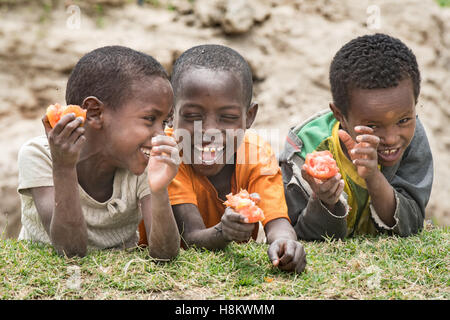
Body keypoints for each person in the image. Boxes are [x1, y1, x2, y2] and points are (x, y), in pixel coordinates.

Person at [139, 44, 307, 273]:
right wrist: (223, 231)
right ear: (171, 114)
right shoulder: (169, 154)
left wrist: (285, 242)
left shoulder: (256, 153)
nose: (208, 131)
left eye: (227, 117)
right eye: (192, 116)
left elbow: (277, 222)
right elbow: (190, 237)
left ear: (249, 117)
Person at [17, 46, 180, 259]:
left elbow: (165, 255)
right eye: (150, 119)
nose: (161, 135)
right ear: (95, 113)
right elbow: (70, 252)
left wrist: (159, 191)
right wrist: (64, 167)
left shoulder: (143, 162)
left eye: (165, 121)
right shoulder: (40, 155)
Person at [280, 33, 433, 240]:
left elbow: (412, 224)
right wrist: (325, 200)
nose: (391, 138)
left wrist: (373, 176)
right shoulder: (306, 151)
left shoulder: (413, 138)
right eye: (372, 126)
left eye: (403, 120)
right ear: (340, 116)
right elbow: (297, 237)